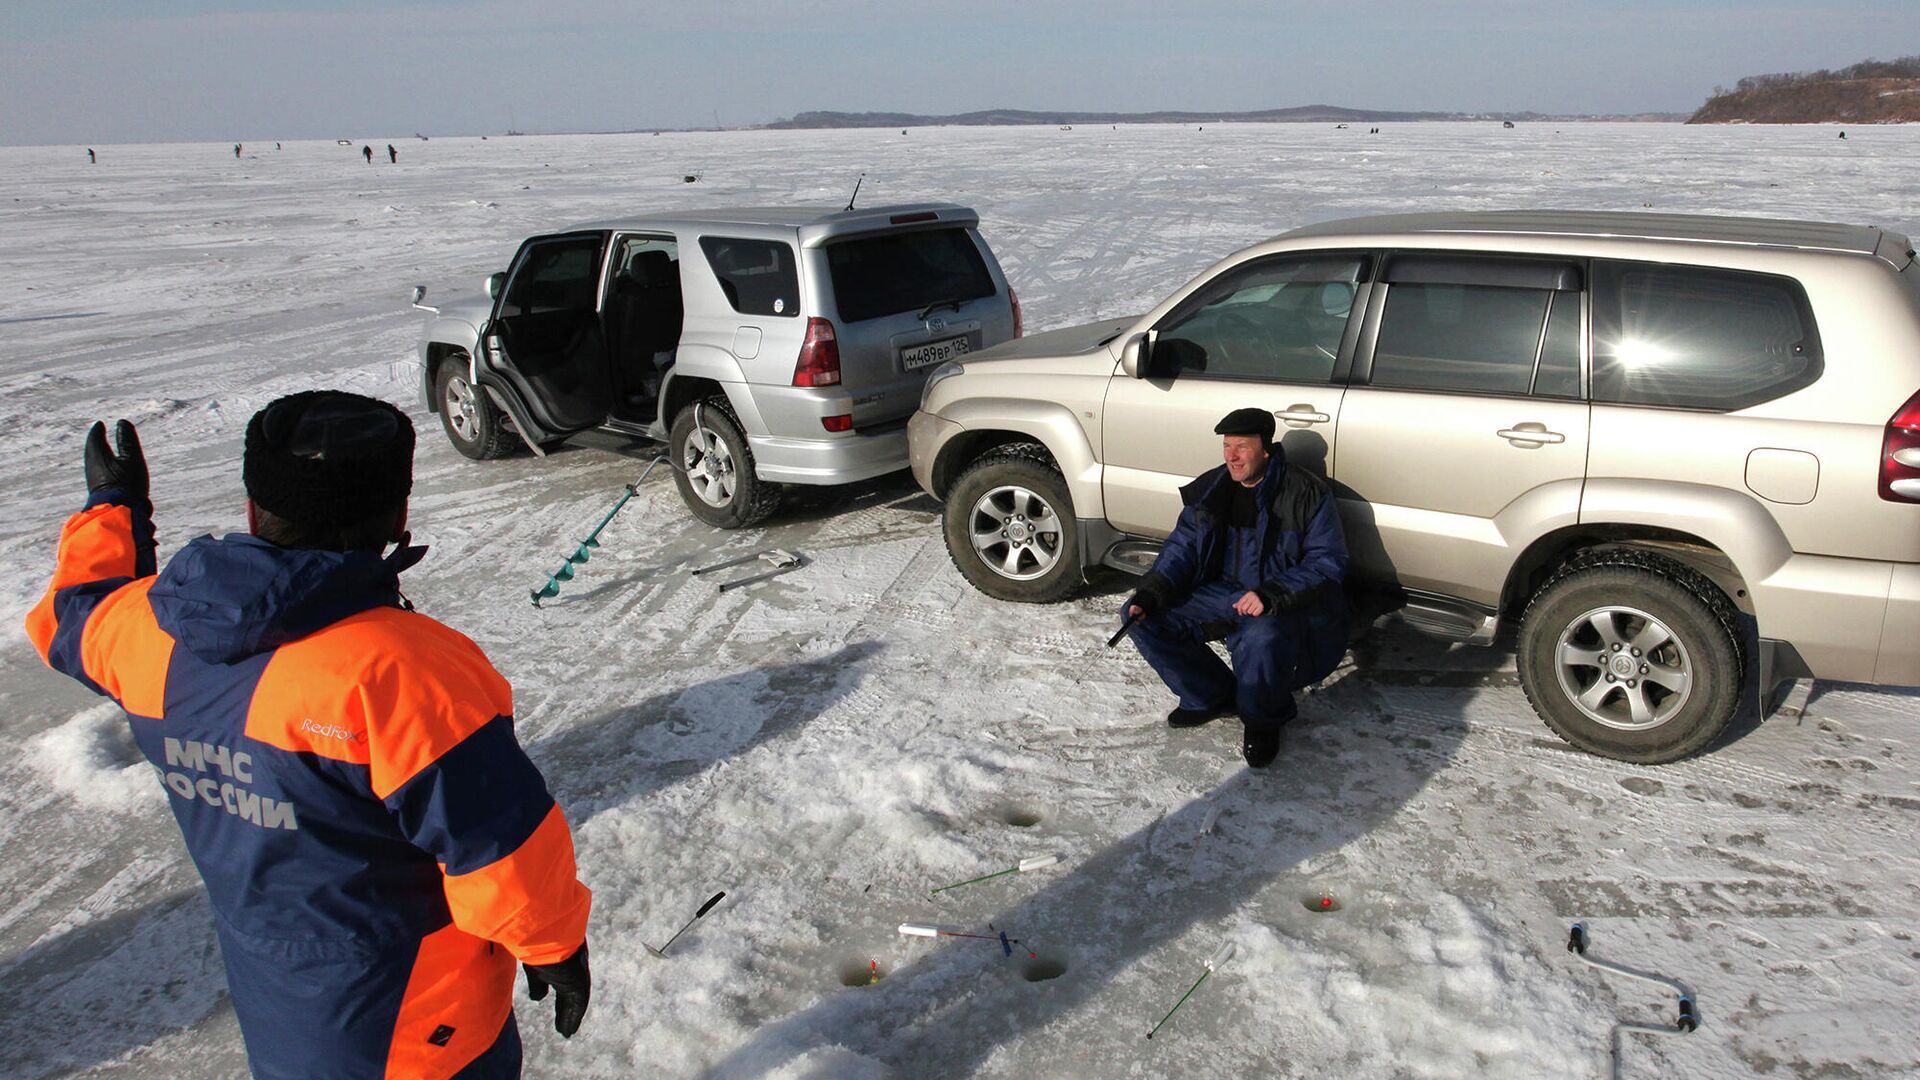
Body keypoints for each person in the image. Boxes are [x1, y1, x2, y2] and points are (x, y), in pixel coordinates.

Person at [26, 392, 593, 1079]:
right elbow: (500, 848)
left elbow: (69, 618)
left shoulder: (148, 633)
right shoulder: (403, 670)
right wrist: (554, 946)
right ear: (398, 515)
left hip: (281, 1015)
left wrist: (112, 508)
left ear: (253, 508)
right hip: (417, 1027)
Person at [1122, 407, 1349, 768]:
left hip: (1276, 599)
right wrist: (1153, 590)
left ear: (1266, 450)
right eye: (1227, 446)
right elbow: (1181, 547)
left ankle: (1262, 720)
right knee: (1141, 616)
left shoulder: (1306, 493)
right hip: (1222, 593)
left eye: (1242, 446)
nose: (1231, 456)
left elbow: (1328, 562)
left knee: (1261, 637)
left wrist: (1271, 594)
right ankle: (1210, 696)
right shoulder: (1213, 488)